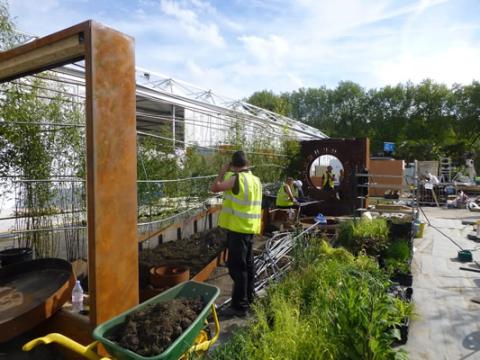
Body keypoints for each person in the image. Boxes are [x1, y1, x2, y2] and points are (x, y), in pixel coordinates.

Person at [211, 150, 262, 317]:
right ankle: (250, 298)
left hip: (238, 230)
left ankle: (240, 307)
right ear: (247, 163)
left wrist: (222, 171)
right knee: (248, 266)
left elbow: (215, 188)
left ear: (233, 165)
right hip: (250, 229)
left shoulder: (236, 179)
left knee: (237, 268)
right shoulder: (256, 180)